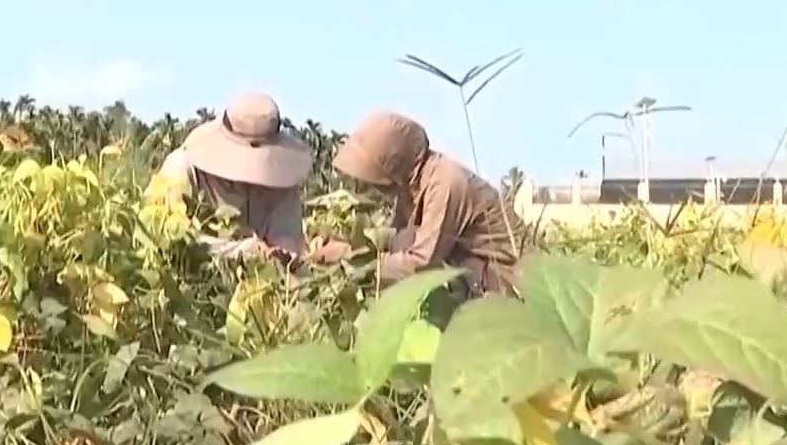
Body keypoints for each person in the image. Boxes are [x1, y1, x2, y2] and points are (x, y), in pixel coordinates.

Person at [331, 110, 519, 296]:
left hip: (505, 284)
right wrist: (350, 247)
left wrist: (353, 261)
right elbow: (401, 240)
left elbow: (421, 265)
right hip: (474, 278)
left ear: (393, 163)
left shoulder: (445, 183)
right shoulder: (410, 188)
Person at [155, 93, 313, 260]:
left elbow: (286, 233)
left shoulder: (283, 179)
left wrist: (285, 251)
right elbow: (172, 240)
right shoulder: (183, 169)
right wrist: (242, 251)